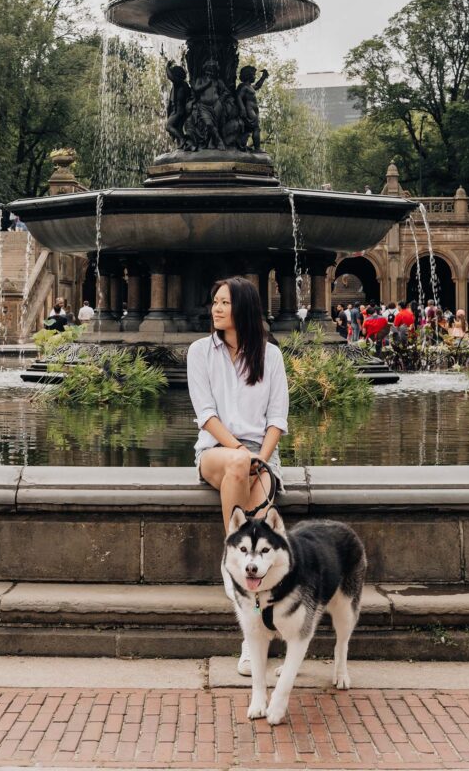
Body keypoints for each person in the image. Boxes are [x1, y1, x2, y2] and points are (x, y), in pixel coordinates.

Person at [187, 275, 289, 676]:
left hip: (262, 458)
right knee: (236, 466)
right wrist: (241, 454)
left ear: (243, 307)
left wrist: (259, 460)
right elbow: (205, 415)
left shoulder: (271, 356)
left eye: (225, 303)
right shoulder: (199, 352)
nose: (216, 308)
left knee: (263, 535)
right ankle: (234, 556)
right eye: (214, 302)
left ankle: (253, 638)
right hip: (214, 452)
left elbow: (277, 419)